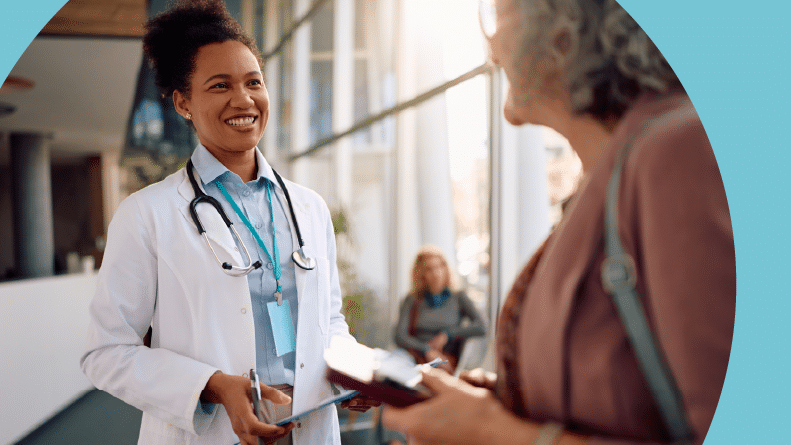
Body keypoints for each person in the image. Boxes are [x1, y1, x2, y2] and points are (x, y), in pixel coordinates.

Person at [382, 1, 735, 445]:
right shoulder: (606, 179)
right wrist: (495, 403)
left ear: (564, 30)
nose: (490, 45)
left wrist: (493, 433)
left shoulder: (679, 155)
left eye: (499, 16)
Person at [80, 1, 376, 444]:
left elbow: (328, 323)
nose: (243, 100)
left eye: (253, 82)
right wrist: (213, 385)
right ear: (183, 102)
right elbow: (105, 352)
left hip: (309, 425)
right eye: (220, 86)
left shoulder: (308, 208)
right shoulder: (147, 214)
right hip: (212, 430)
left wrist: (351, 369)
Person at [394, 245, 486, 373]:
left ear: (446, 268)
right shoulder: (412, 300)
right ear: (421, 274)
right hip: (415, 357)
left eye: (439, 267)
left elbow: (481, 327)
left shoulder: (459, 298)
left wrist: (448, 334)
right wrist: (426, 349)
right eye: (429, 269)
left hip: (445, 361)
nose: (436, 273)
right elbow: (400, 336)